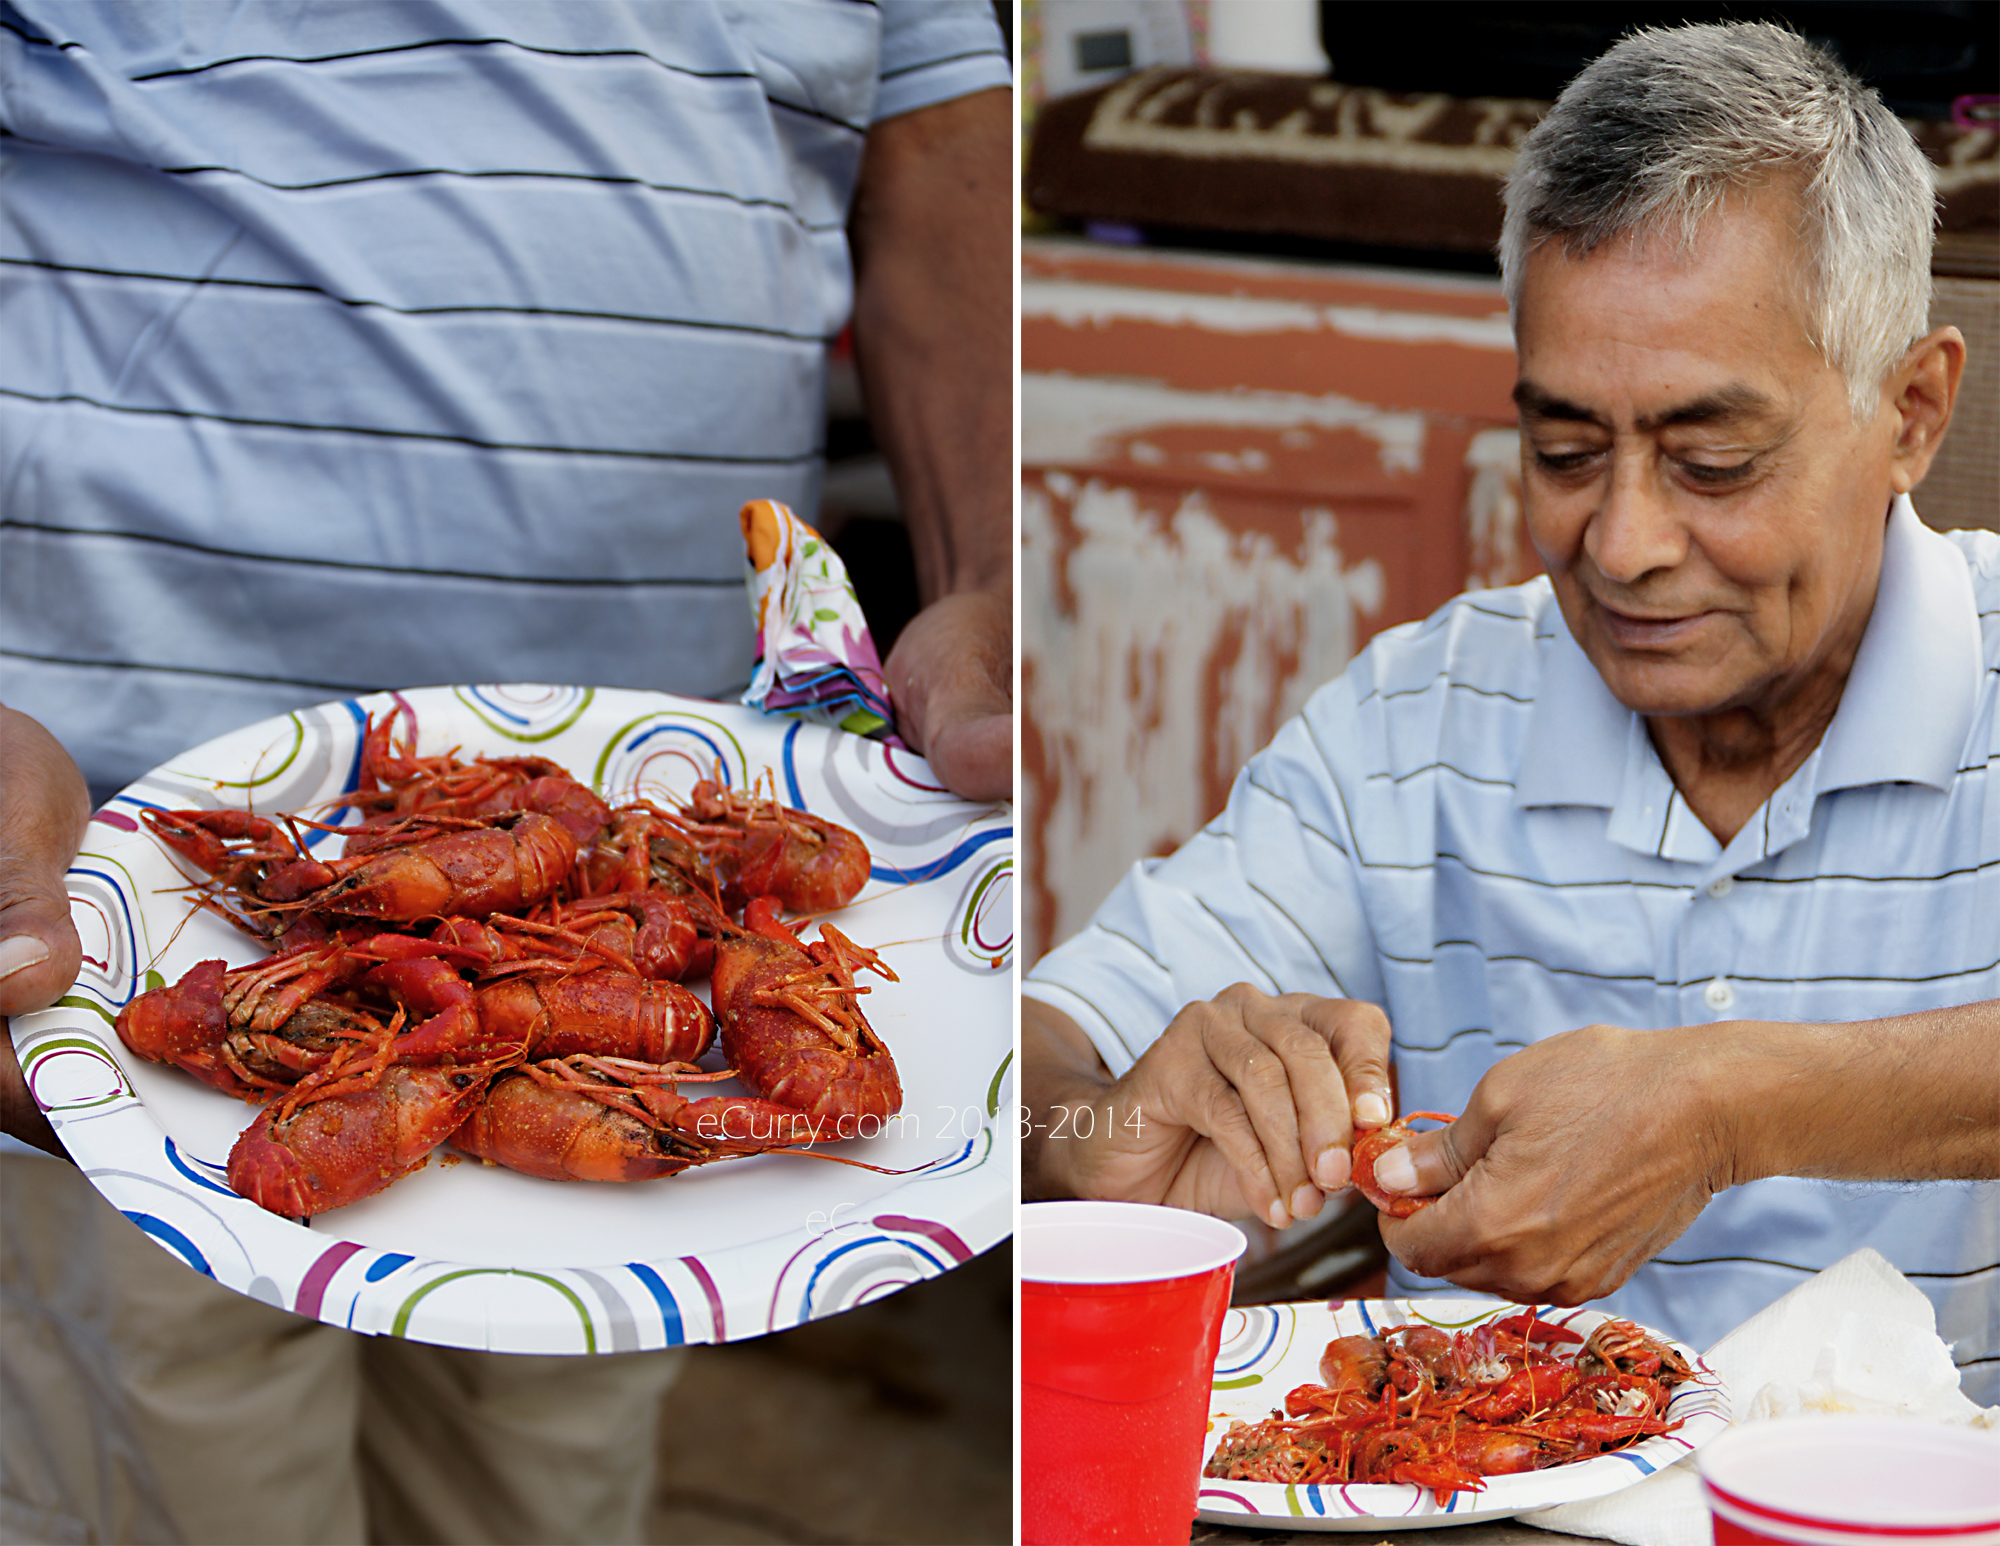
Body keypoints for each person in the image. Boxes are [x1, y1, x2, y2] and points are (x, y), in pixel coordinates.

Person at [0, 2, 1010, 1540]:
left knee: (547, 1493)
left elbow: (939, 140)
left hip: (656, 822)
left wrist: (1005, 570)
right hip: (97, 885)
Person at [1023, 20, 1999, 1403]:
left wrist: (1730, 1103)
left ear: (1912, 412)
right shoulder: (1415, 724)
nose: (1622, 541)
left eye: (1711, 460)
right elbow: (1034, 1066)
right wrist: (1096, 1131)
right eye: (1564, 450)